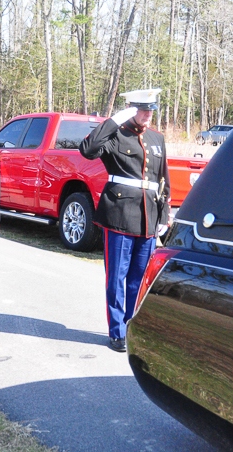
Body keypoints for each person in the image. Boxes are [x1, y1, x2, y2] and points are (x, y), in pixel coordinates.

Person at [79, 88, 170, 353]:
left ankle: (133, 326)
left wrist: (163, 215)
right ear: (130, 109)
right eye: (142, 109)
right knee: (117, 277)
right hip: (119, 214)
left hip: (148, 216)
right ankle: (117, 331)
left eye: (150, 110)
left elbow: (162, 180)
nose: (147, 114)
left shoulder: (156, 138)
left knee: (139, 278)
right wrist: (113, 121)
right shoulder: (115, 134)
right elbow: (88, 150)